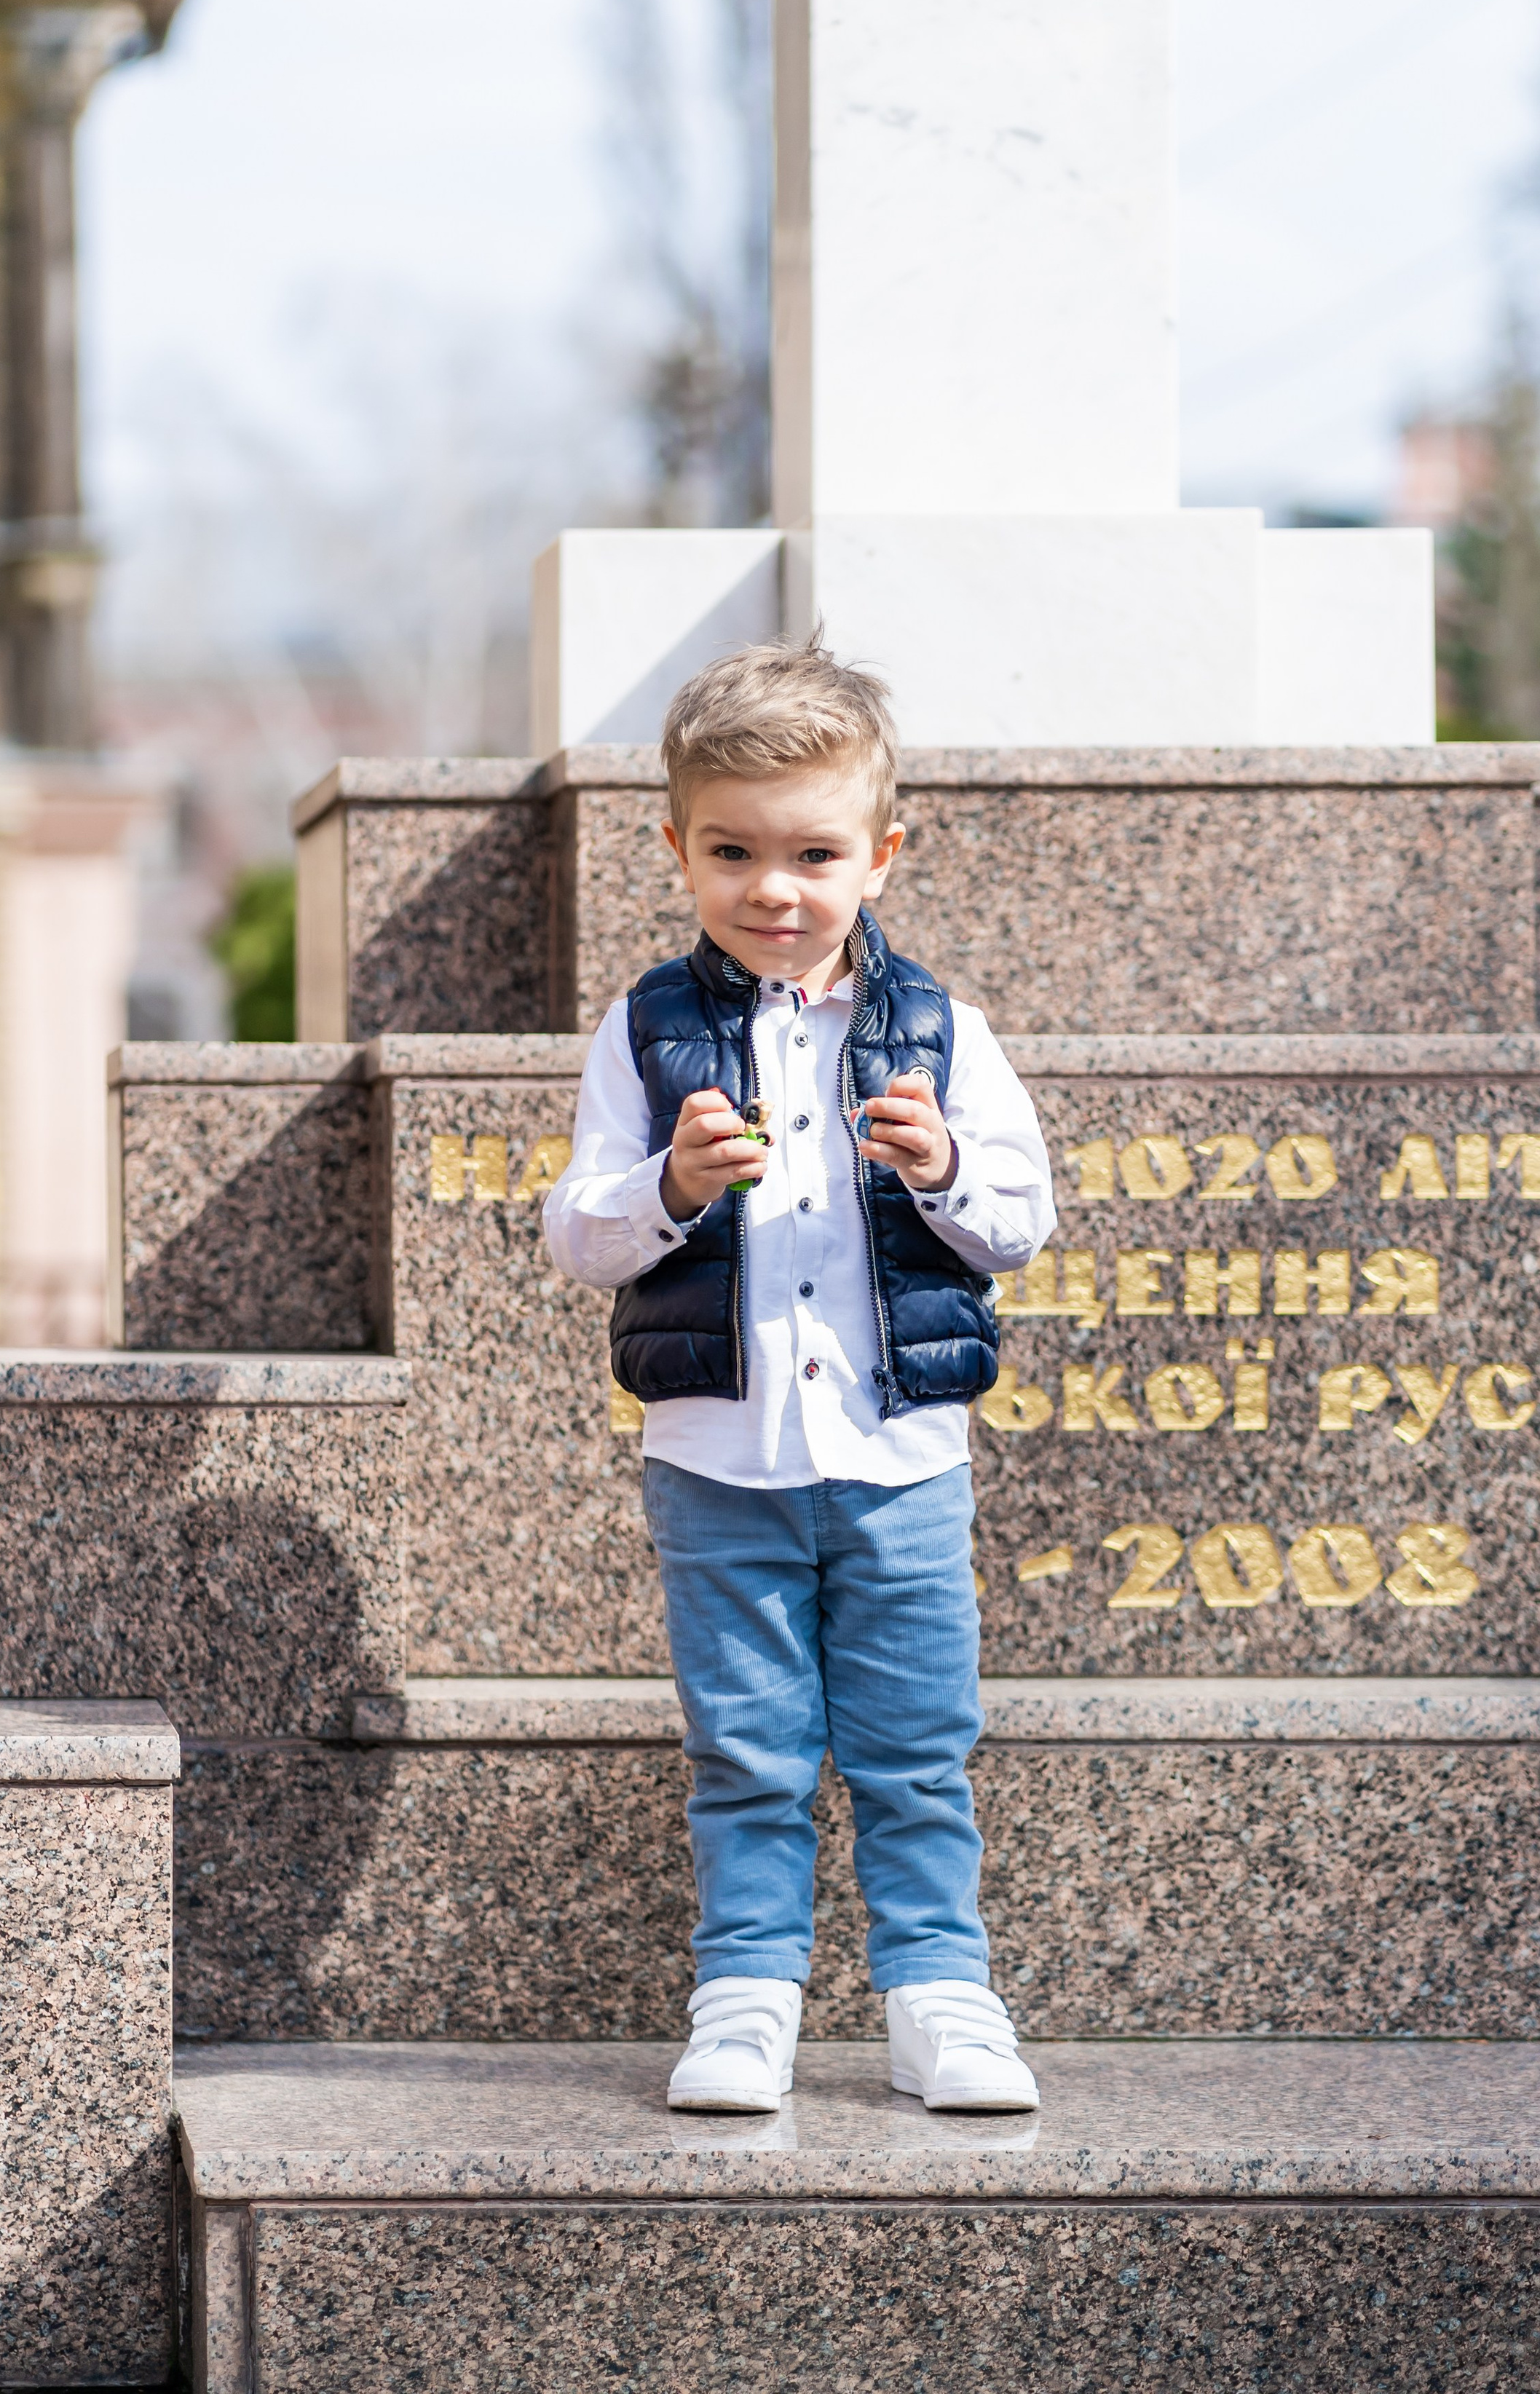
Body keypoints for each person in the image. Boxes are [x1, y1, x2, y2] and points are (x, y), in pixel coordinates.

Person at [542, 638, 1056, 2116]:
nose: (774, 886)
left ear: (879, 857)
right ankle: (745, 1999)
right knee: (748, 1751)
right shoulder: (647, 1031)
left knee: (912, 1750)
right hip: (719, 1464)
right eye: (733, 852)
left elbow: (1019, 1221)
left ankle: (940, 2000)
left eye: (814, 852)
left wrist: (945, 1165)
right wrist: (669, 1185)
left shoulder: (939, 1031)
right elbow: (576, 1230)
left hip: (900, 1466)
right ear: (678, 850)